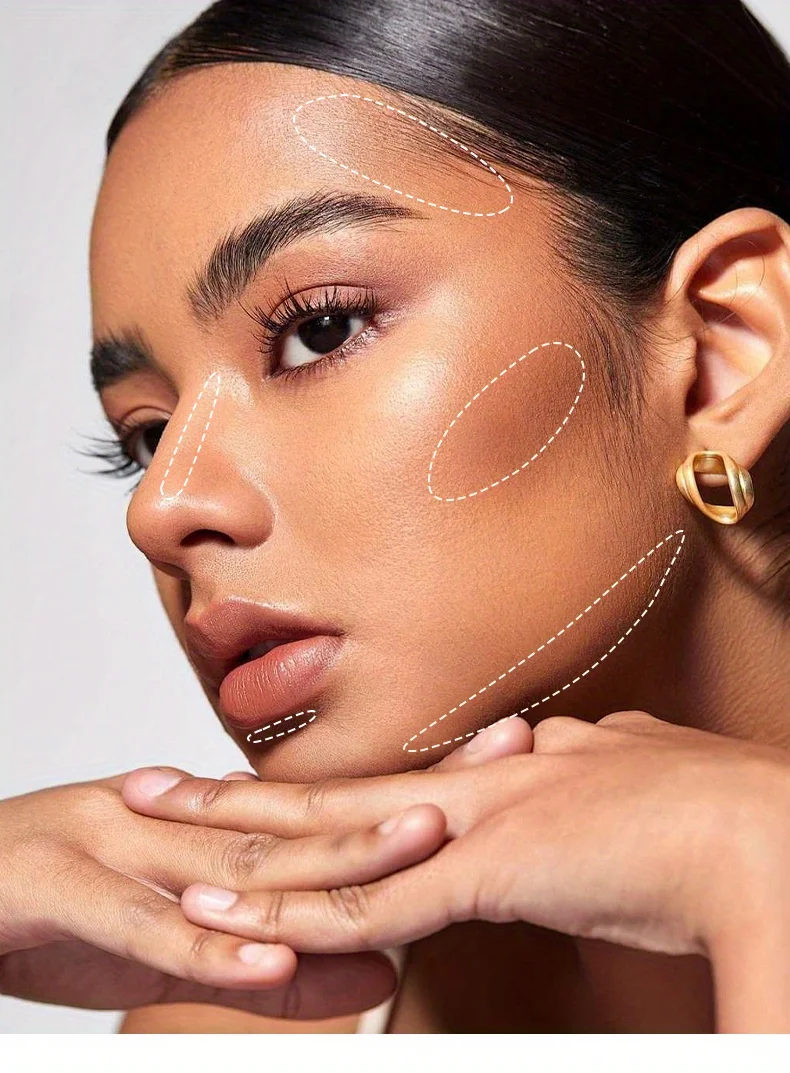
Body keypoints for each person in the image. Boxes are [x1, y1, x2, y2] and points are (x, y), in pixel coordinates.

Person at [1, 0, 789, 1034]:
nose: (162, 507)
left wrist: (761, 874)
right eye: (146, 433)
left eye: (319, 330)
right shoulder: (244, 1019)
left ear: (727, 350)